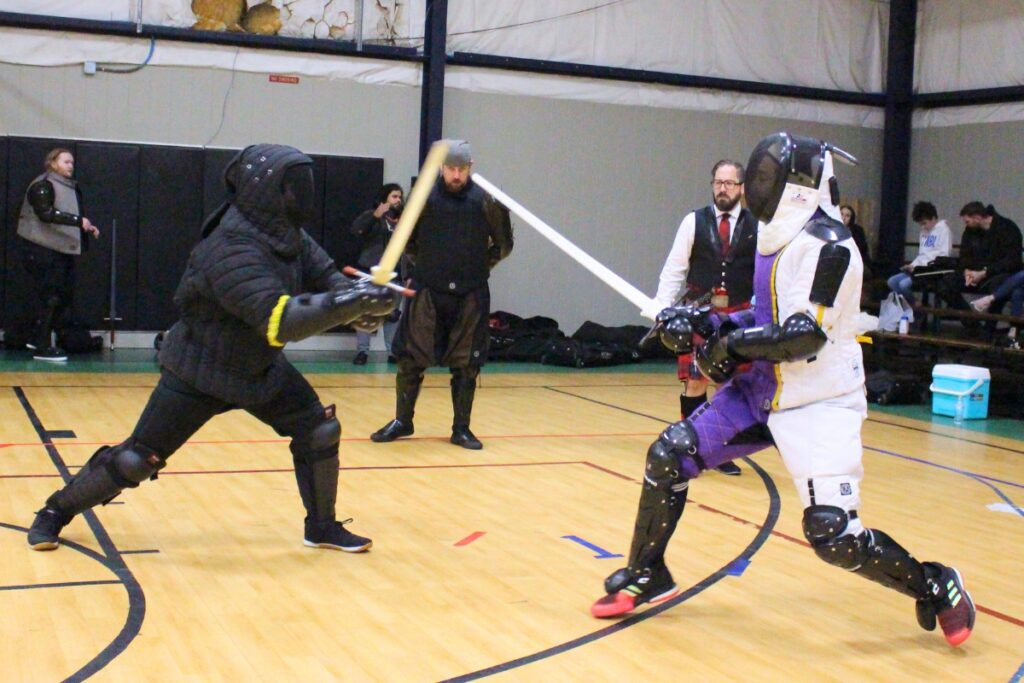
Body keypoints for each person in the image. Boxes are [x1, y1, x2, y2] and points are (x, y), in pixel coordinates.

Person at [590, 132, 976, 649]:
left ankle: (934, 583)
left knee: (832, 534)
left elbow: (803, 333)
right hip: (764, 389)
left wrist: (728, 349)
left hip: (819, 399)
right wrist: (704, 321)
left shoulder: (832, 248)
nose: (755, 185)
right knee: (668, 455)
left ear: (797, 182)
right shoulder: (776, 237)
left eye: (766, 176)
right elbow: (766, 317)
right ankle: (647, 572)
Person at [27, 144, 397, 553]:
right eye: (292, 187)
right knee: (137, 459)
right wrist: (348, 306)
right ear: (265, 189)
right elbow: (279, 321)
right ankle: (54, 512)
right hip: (202, 368)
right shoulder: (229, 245)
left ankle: (322, 527)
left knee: (318, 428)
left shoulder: (286, 232)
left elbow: (328, 276)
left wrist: (361, 302)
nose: (299, 196)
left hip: (257, 366)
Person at [370, 140, 513, 450]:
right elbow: (406, 239)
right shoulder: (423, 199)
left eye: (462, 169)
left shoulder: (487, 201)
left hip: (471, 292)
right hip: (427, 290)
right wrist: (426, 267)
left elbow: (503, 246)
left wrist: (477, 267)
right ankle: (402, 421)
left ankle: (461, 428)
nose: (457, 175)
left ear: (470, 167)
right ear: (442, 168)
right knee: (410, 357)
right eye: (451, 169)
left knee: (466, 364)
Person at [643, 159, 759, 476]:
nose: (723, 189)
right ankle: (689, 449)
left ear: (742, 188)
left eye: (730, 183)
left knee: (734, 387)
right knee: (695, 384)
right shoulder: (693, 221)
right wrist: (660, 308)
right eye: (718, 183)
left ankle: (722, 454)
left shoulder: (758, 226)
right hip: (700, 314)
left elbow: (764, 274)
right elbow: (675, 268)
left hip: (739, 317)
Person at [16, 148, 101, 362]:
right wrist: (77, 221)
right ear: (52, 162)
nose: (70, 166)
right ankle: (41, 344)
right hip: (42, 249)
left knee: (58, 297)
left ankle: (40, 338)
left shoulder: (66, 186)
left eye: (72, 162)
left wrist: (85, 227)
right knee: (50, 298)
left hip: (57, 250)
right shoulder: (43, 185)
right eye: (65, 162)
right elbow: (45, 213)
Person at [935, 202, 1023, 322]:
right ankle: (970, 321)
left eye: (967, 221)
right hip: (974, 273)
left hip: (996, 273)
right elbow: (964, 255)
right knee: (944, 285)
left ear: (977, 218)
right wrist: (966, 271)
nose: (966, 225)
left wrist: (984, 272)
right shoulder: (970, 231)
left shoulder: (1007, 228)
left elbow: (1012, 261)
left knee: (999, 286)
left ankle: (989, 329)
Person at [350, 182, 405, 365]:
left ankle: (392, 352)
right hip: (370, 271)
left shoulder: (404, 220)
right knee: (366, 311)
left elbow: (410, 249)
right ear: (385, 198)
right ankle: (362, 352)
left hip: (395, 274)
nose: (398, 200)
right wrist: (375, 216)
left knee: (393, 314)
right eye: (394, 196)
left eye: (399, 196)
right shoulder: (373, 215)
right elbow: (356, 230)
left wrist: (409, 273)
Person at [886, 201, 953, 305]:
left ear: (934, 218)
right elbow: (922, 254)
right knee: (892, 281)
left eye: (924, 223)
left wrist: (922, 266)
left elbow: (944, 256)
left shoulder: (944, 230)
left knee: (904, 285)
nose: (923, 227)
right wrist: (912, 265)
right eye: (920, 224)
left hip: (931, 271)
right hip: (918, 269)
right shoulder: (924, 232)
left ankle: (916, 306)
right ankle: (914, 303)